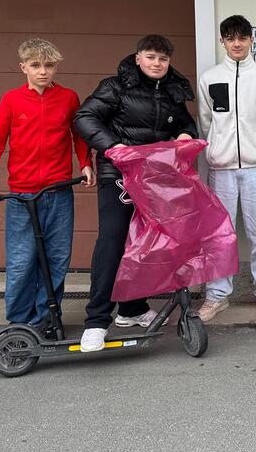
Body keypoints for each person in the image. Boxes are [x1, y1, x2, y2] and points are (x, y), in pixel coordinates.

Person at [0, 39, 94, 330]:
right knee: (21, 260)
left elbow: (79, 136)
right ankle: (19, 323)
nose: (43, 71)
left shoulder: (68, 98)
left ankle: (46, 319)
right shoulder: (11, 100)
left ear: (56, 68)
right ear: (23, 67)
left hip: (58, 192)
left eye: (49, 65)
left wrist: (85, 163)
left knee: (56, 258)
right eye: (35, 65)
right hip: (22, 196)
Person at [74, 35, 198, 352]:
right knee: (113, 242)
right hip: (118, 176)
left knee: (144, 245)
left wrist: (185, 134)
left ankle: (132, 309)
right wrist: (113, 147)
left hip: (154, 178)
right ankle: (96, 321)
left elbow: (186, 124)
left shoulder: (171, 91)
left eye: (163, 59)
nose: (157, 64)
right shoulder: (115, 87)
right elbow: (84, 117)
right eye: (151, 57)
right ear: (138, 57)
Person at [197, 15, 256, 322]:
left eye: (242, 38)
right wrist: (218, 151)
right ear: (222, 41)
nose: (237, 44)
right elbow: (206, 122)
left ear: (251, 40)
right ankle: (217, 295)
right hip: (220, 169)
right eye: (231, 38)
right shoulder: (209, 78)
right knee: (220, 234)